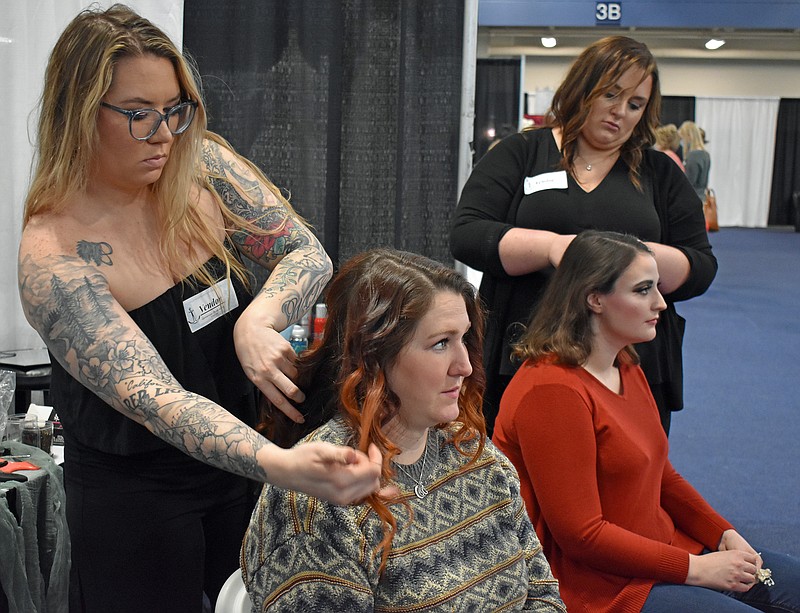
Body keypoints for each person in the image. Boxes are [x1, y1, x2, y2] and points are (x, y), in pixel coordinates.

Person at [17, 5, 383, 611]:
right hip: (136, 501)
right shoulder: (55, 259)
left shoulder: (201, 166)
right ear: (78, 115)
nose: (164, 134)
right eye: (137, 115)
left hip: (238, 472)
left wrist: (257, 320)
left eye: (173, 110)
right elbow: (160, 401)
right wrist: (281, 464)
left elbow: (303, 250)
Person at [242, 249, 566, 612]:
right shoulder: (317, 496)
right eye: (441, 343)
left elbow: (543, 597)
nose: (464, 366)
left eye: (464, 339)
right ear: (374, 358)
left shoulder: (470, 450)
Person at [493, 230, 800, 613]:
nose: (661, 304)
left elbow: (663, 476)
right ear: (595, 299)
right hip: (598, 584)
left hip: (661, 548)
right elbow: (581, 536)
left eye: (657, 287)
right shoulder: (551, 391)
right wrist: (696, 569)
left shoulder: (624, 362)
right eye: (642, 290)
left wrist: (723, 532)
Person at [450, 35, 716, 436]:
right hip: (521, 350)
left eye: (635, 104)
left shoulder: (660, 173)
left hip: (631, 363)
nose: (620, 113)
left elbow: (701, 266)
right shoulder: (521, 152)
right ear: (582, 87)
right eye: (611, 94)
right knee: (516, 479)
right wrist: (556, 247)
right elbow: (469, 234)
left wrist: (630, 258)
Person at [679, 120, 712, 201]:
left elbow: (689, 182)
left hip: (692, 199)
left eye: (682, 138)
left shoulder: (692, 155)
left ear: (688, 136)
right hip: (702, 197)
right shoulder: (706, 154)